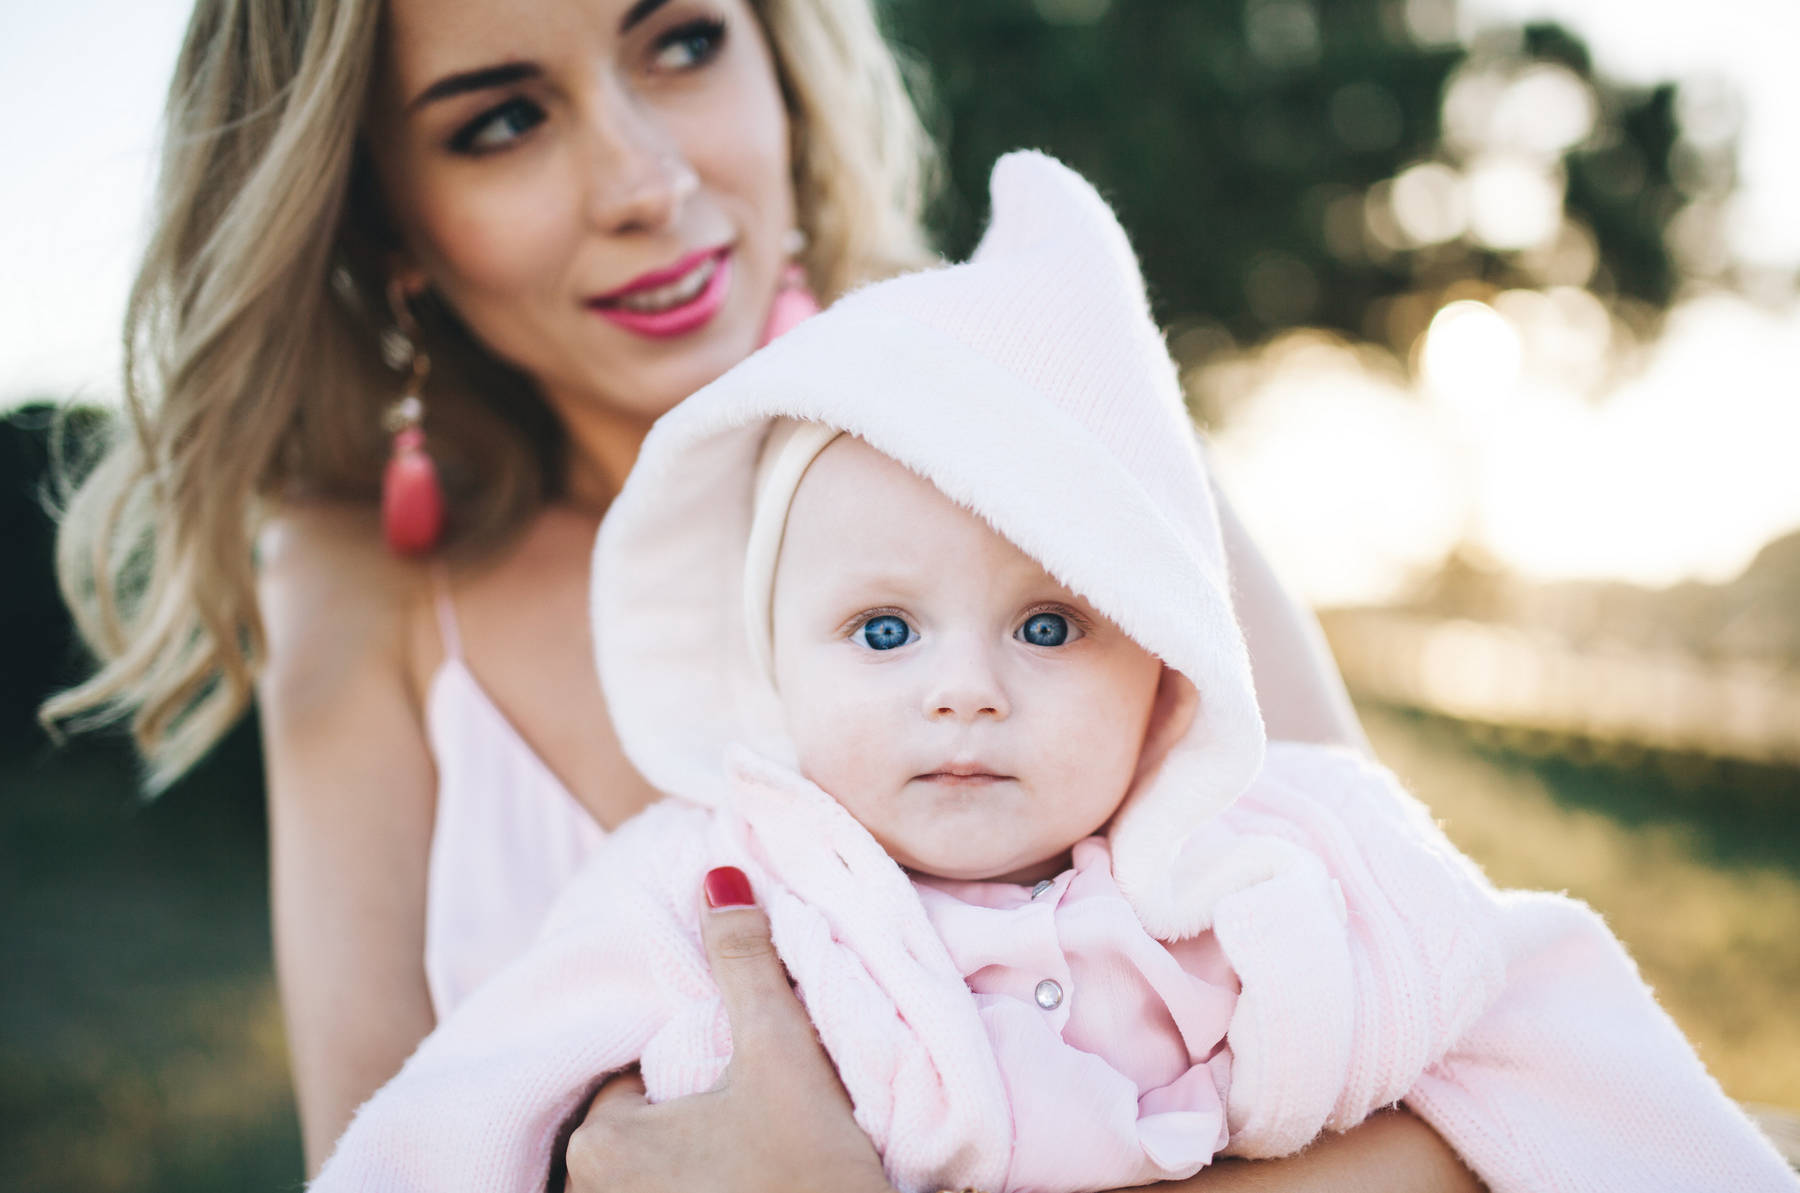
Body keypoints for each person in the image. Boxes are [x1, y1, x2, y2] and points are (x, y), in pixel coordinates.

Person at [45, 0, 1482, 1188]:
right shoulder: (362, 590)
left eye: (680, 41)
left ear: (784, 64)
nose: (645, 180)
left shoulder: (1068, 449)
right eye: (501, 120)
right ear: (387, 227)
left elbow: (1452, 1103)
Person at [310, 151, 1797, 1193]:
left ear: (1166, 664)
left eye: (1049, 625)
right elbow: (445, 1117)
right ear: (773, 670)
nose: (965, 689)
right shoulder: (703, 891)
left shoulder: (1272, 853)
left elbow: (1540, 1018)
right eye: (885, 633)